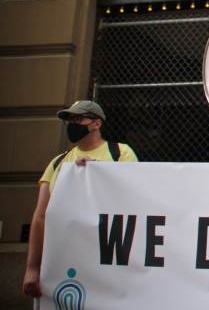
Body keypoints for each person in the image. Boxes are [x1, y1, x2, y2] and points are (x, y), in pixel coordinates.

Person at [22, 100, 138, 298]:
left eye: (77, 119)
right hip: (66, 257)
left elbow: (134, 196)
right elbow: (41, 216)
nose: (72, 125)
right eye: (69, 120)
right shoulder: (58, 162)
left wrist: (99, 173)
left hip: (108, 256)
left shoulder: (121, 153)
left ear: (96, 123)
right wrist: (32, 268)